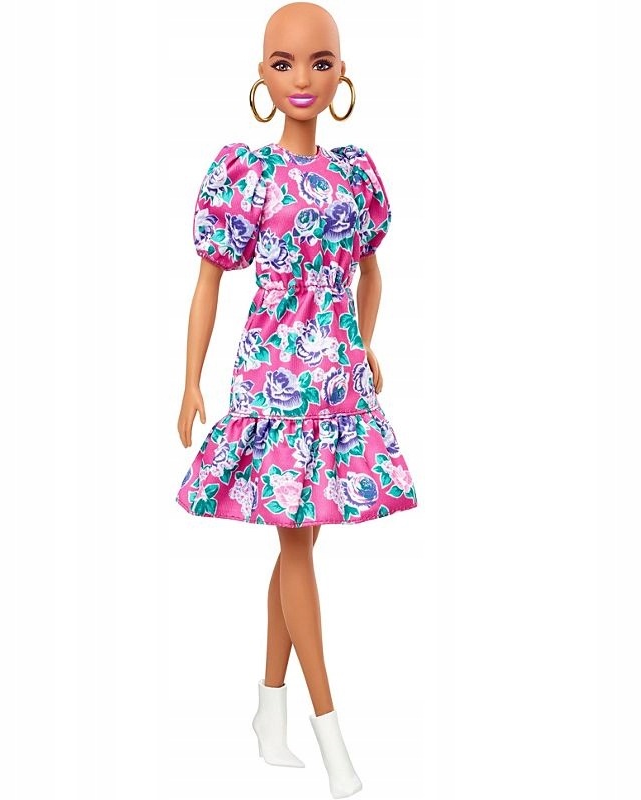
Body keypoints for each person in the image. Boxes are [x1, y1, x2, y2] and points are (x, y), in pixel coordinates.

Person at [175, 3, 417, 796]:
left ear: (342, 73)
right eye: (283, 63)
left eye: (320, 62)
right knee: (297, 546)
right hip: (272, 379)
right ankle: (330, 731)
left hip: (337, 380)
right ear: (261, 75)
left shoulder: (355, 175)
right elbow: (209, 282)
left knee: (300, 542)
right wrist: (191, 380)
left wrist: (363, 342)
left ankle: (268, 708)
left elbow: (369, 273)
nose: (303, 78)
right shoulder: (247, 174)